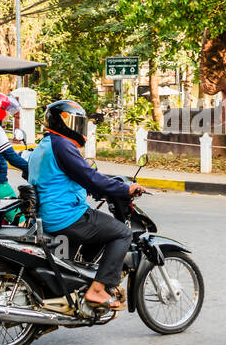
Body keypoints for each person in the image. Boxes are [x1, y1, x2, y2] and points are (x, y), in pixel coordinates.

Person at [27, 99, 144, 310]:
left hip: (50, 214)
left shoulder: (46, 145)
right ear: (64, 122)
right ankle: (97, 289)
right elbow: (89, 176)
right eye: (76, 122)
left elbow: (67, 178)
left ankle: (85, 278)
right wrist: (125, 189)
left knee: (102, 230)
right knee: (122, 233)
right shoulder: (63, 145)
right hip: (65, 216)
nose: (80, 129)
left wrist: (95, 187)